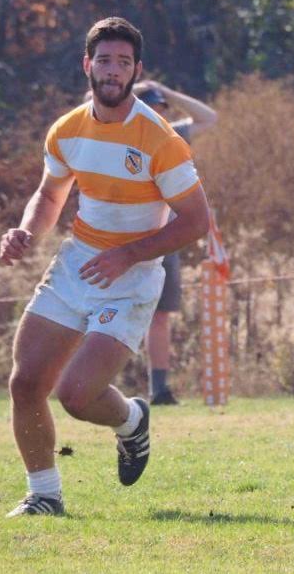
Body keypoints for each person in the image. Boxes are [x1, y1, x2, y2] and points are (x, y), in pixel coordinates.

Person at [0, 17, 210, 517]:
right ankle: (44, 496)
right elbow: (50, 195)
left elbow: (197, 220)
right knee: (25, 382)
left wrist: (129, 254)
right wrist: (28, 230)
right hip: (77, 263)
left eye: (123, 63)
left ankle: (131, 420)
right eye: (105, 61)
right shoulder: (66, 131)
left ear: (137, 70)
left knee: (75, 395)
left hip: (133, 276)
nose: (113, 72)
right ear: (87, 65)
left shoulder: (160, 139)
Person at [132, 80, 219, 405]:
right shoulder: (118, 130)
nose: (158, 112)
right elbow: (90, 99)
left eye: (162, 108)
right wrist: (135, 88)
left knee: (161, 315)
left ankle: (160, 390)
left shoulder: (172, 135)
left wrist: (166, 90)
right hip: (124, 237)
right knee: (109, 310)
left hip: (165, 238)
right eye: (152, 106)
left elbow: (208, 117)